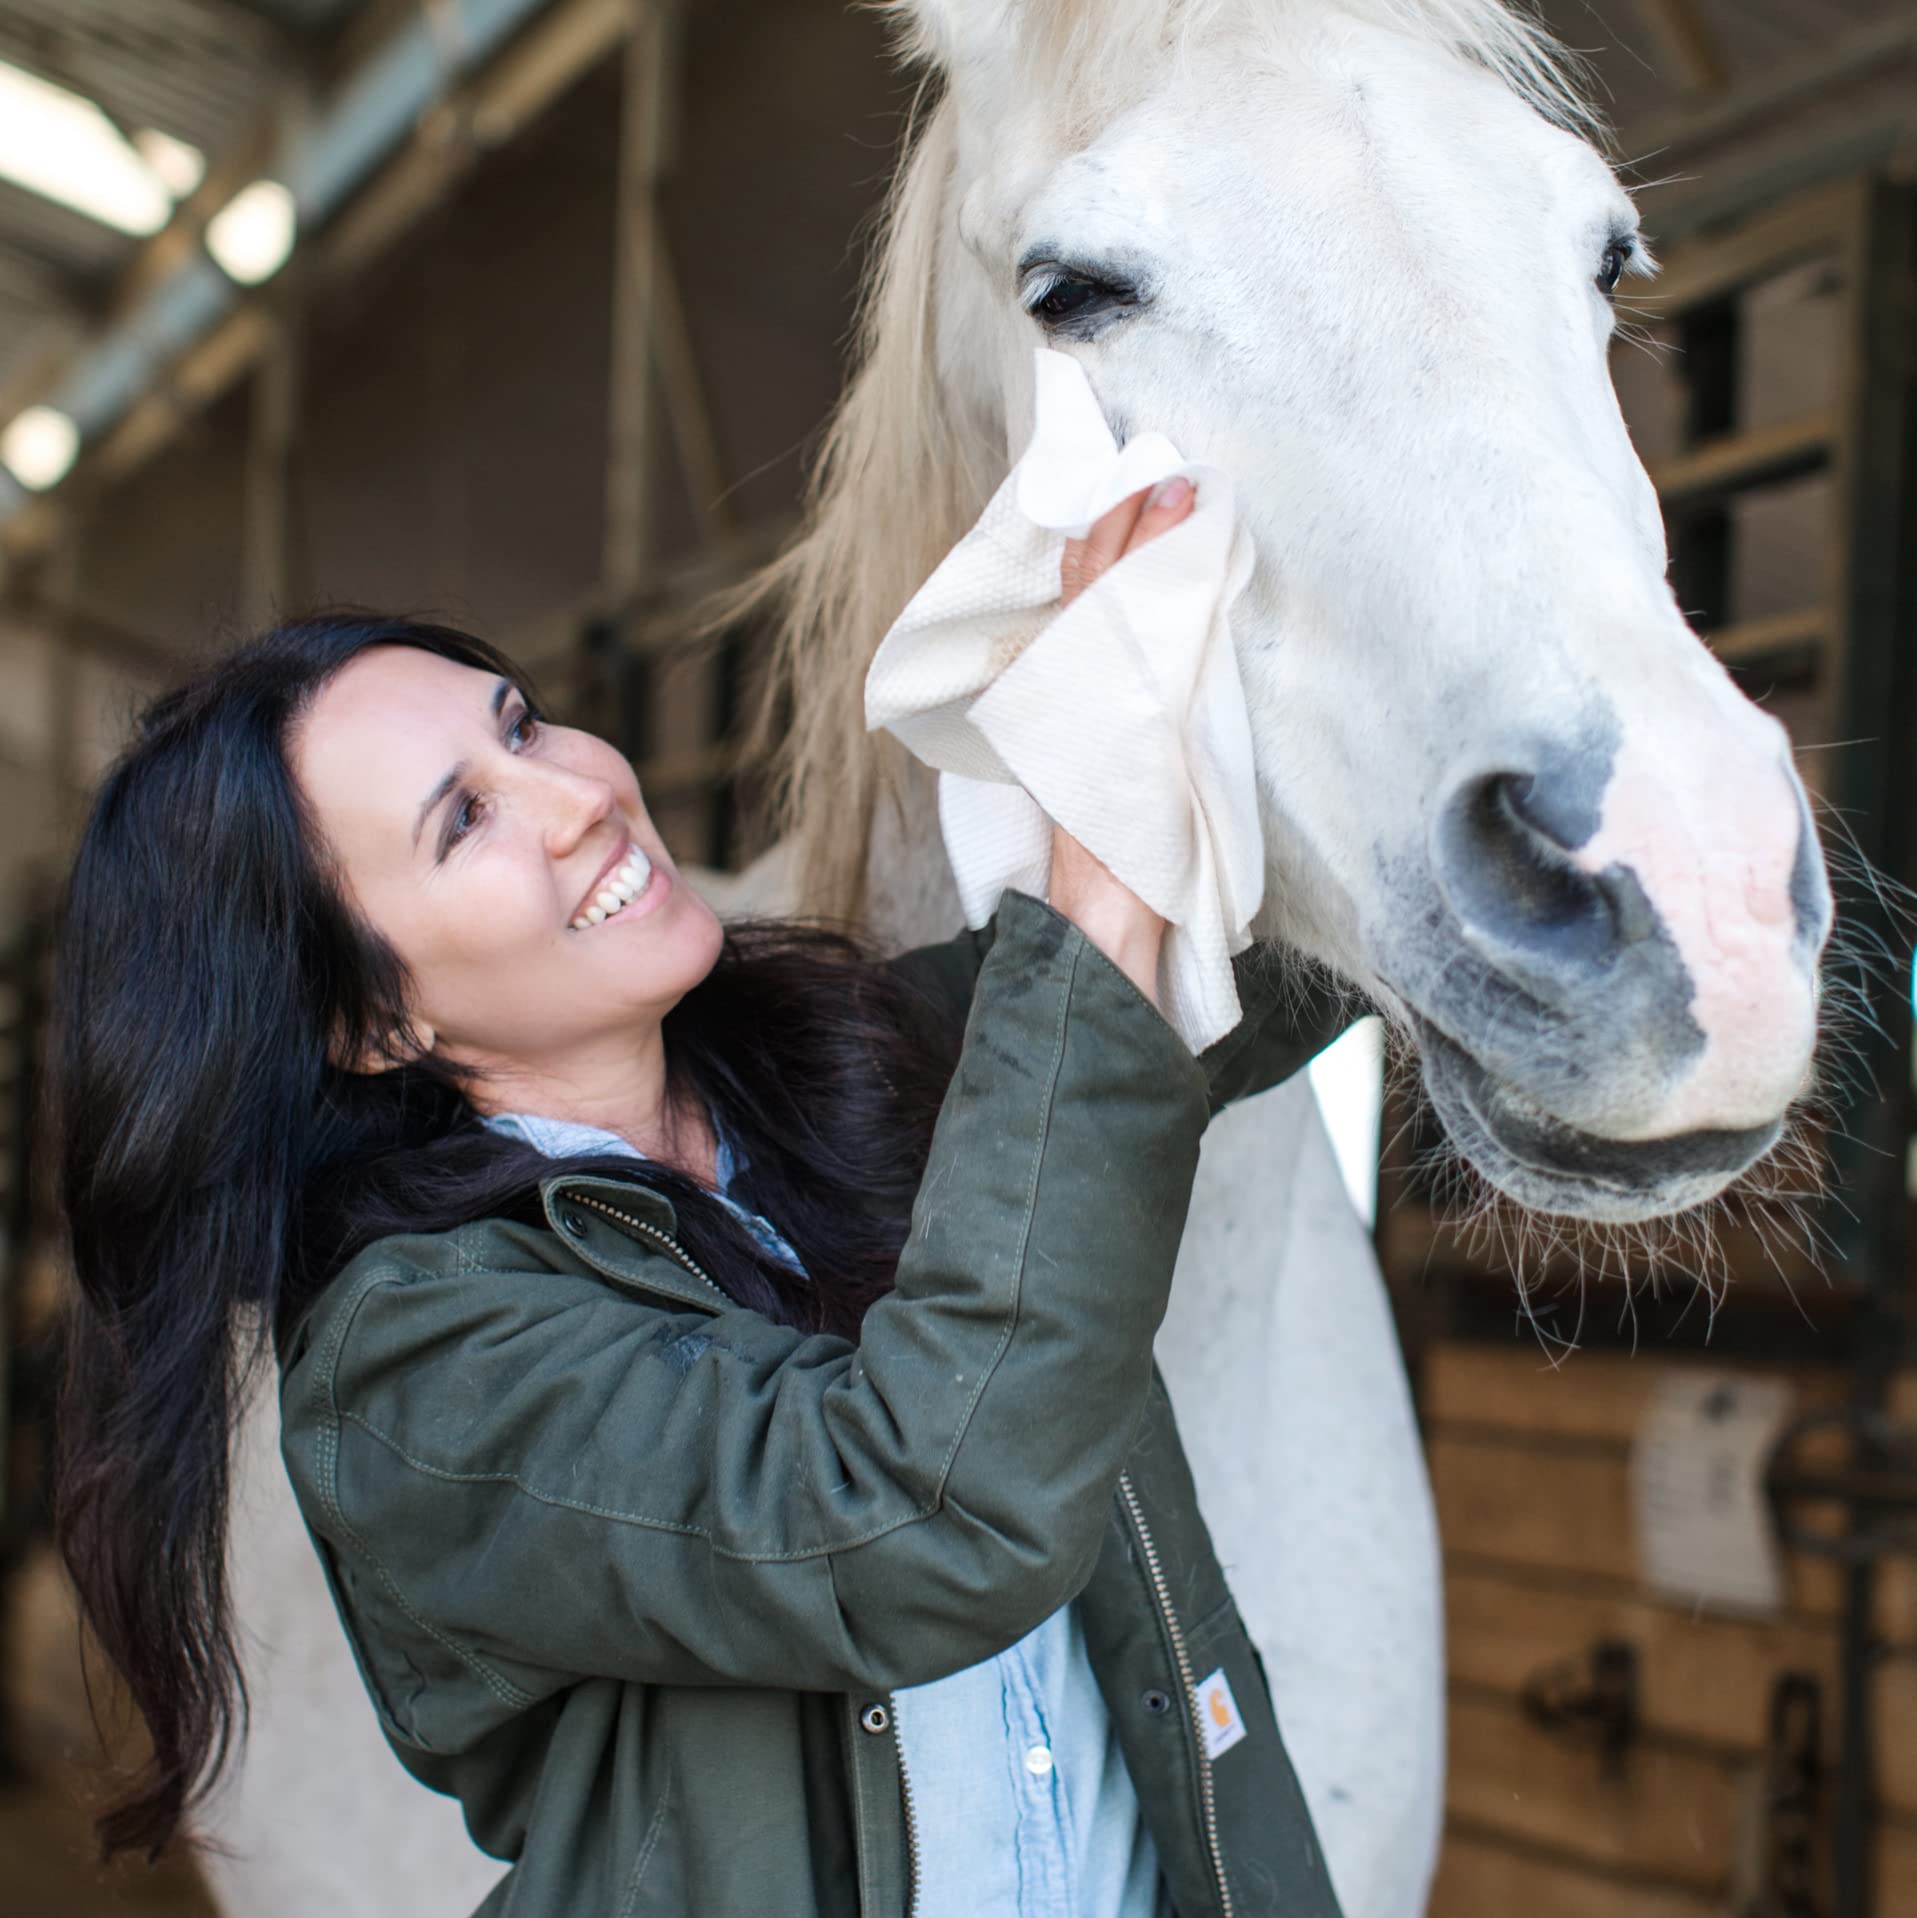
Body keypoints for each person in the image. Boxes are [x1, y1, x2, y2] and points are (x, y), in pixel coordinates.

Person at [51, 482, 1352, 1916]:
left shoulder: (862, 1058)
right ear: (370, 1025)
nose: (579, 792)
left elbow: (1289, 951)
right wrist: (1098, 841)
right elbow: (915, 1513)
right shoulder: (419, 1375)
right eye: (464, 819)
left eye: (521, 721)